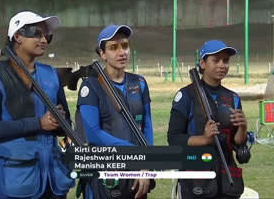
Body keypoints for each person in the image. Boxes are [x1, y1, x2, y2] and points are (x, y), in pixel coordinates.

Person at [0, 11, 74, 199]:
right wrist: (39, 124)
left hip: (53, 180)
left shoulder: (51, 74)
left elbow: (67, 123)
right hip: (12, 179)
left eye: (46, 35)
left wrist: (60, 122)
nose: (43, 39)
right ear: (17, 36)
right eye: (37, 33)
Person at [76, 25, 154, 199]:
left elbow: (146, 126)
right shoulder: (91, 86)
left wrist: (147, 163)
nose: (122, 52)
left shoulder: (140, 83)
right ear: (102, 54)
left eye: (125, 46)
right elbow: (93, 134)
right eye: (113, 47)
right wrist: (134, 151)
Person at [167, 40, 248, 199]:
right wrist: (204, 139)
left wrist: (243, 129)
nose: (222, 65)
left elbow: (237, 143)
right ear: (202, 64)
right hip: (195, 179)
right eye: (216, 60)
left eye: (225, 60)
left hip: (226, 181)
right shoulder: (185, 96)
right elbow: (174, 138)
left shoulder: (233, 98)